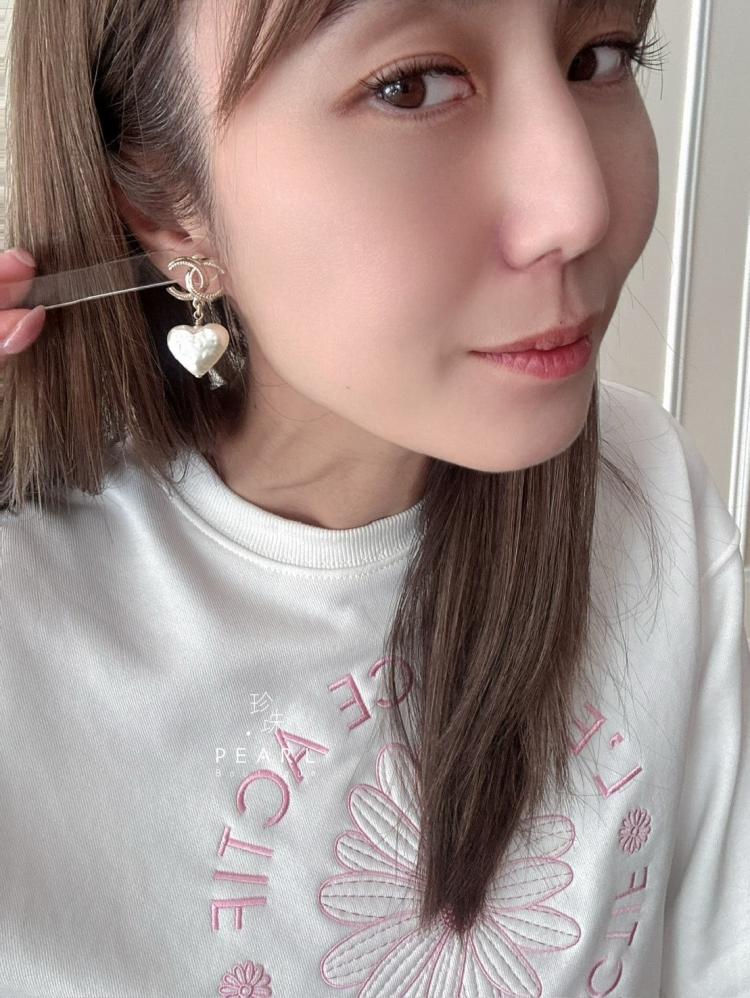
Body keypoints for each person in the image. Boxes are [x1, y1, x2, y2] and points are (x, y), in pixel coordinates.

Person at [0, 1, 748, 996]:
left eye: (600, 56)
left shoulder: (650, 503)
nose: (580, 207)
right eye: (412, 86)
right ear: (168, 202)